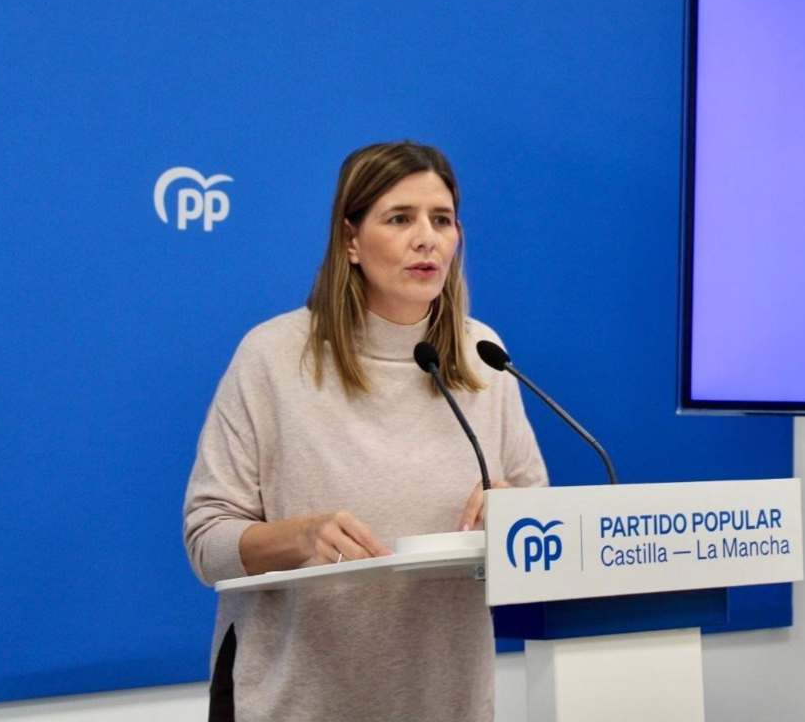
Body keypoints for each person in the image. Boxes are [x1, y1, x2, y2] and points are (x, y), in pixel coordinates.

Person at [183, 141, 548, 721]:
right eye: (400, 218)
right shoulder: (274, 357)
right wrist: (300, 538)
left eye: (442, 219)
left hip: (444, 699)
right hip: (295, 699)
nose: (426, 238)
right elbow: (208, 543)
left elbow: (540, 522)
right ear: (350, 240)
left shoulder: (484, 357)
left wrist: (513, 513)